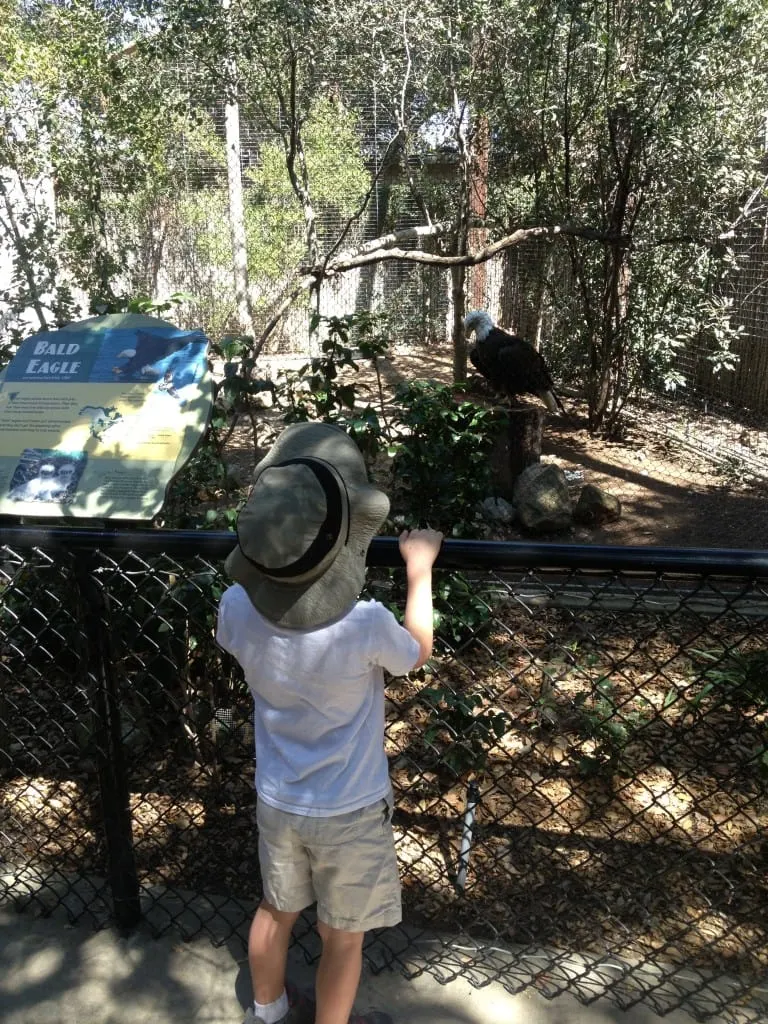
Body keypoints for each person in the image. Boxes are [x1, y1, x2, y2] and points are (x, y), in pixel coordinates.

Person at [216, 421, 443, 1024]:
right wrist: (419, 570)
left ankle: (267, 1013)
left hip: (278, 798)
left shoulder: (237, 605)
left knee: (274, 909)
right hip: (351, 806)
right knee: (343, 937)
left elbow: (244, 638)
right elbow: (416, 653)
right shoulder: (364, 623)